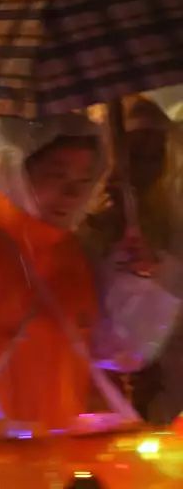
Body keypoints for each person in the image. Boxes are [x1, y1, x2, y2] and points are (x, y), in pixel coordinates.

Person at [0, 113, 181, 428]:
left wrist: (139, 281)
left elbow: (116, 352)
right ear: (16, 166)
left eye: (84, 181)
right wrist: (2, 439)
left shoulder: (73, 252)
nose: (72, 194)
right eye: (56, 175)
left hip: (56, 459)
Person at [86, 96, 183, 424]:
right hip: (99, 388)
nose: (145, 168)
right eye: (134, 155)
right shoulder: (81, 218)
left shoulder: (172, 218)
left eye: (154, 157)